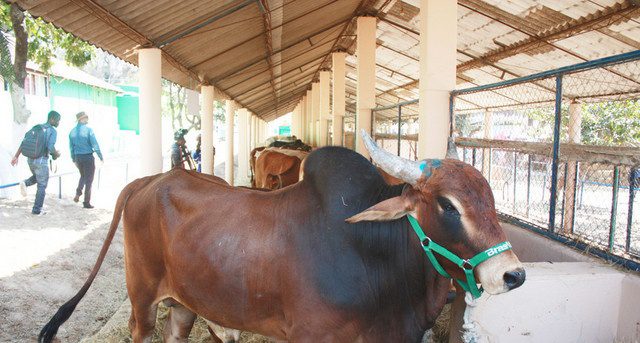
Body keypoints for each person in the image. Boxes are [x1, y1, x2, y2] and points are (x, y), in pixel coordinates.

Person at [11, 110, 61, 215]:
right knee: (42, 185)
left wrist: (16, 156)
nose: (58, 123)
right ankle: (37, 210)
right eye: (57, 120)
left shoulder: (37, 127)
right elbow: (50, 147)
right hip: (41, 161)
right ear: (51, 119)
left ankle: (25, 183)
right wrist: (56, 154)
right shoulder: (52, 131)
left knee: (38, 177)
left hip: (30, 160)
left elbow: (23, 142)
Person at [69, 111, 104, 209]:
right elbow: (95, 144)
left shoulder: (72, 132)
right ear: (81, 119)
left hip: (78, 157)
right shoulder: (89, 130)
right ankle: (86, 202)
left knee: (83, 176)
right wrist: (100, 156)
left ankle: (78, 193)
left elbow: (71, 147)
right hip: (88, 157)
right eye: (85, 118)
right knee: (89, 180)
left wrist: (73, 159)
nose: (87, 119)